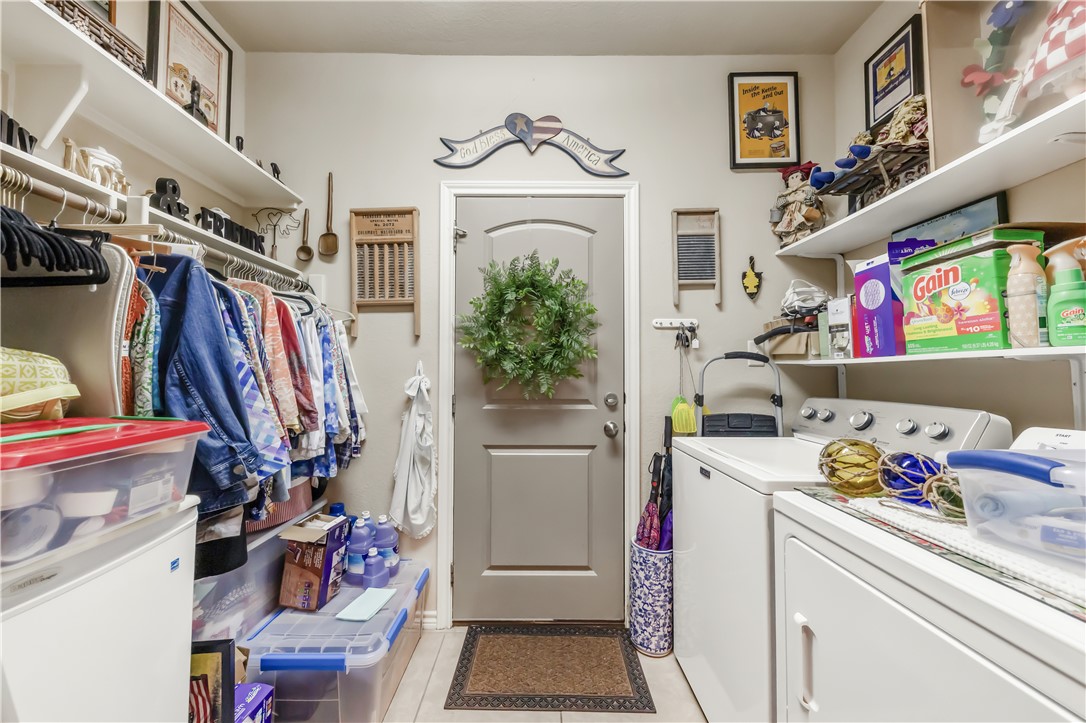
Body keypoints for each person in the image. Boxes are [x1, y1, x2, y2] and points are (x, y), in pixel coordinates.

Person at [770, 161, 826, 247]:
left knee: (803, 228)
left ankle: (803, 239)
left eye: (796, 176)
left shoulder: (807, 189)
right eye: (791, 178)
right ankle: (788, 241)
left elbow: (810, 201)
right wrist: (789, 199)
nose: (794, 179)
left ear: (802, 178)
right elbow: (778, 205)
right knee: (788, 228)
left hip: (802, 214)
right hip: (789, 216)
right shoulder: (786, 194)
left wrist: (801, 198)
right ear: (787, 182)